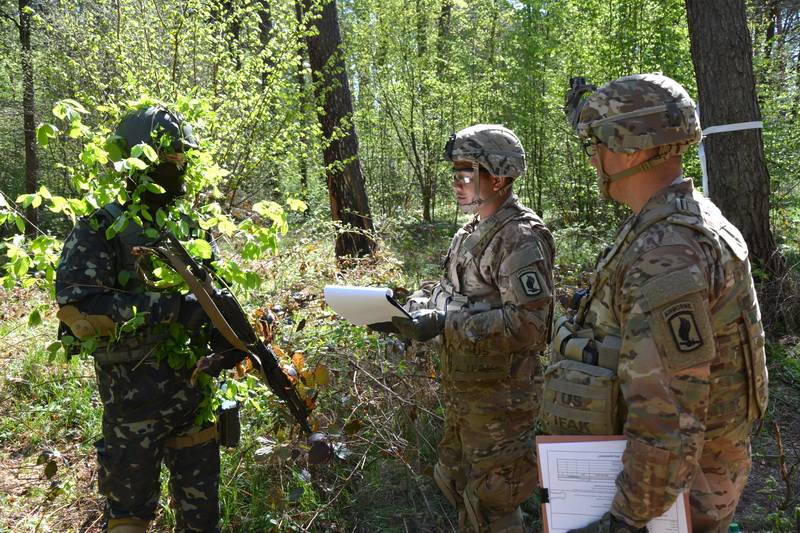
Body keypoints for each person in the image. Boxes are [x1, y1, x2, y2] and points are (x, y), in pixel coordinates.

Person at [544, 74, 768, 533]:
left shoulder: (666, 253)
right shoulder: (680, 221)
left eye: (597, 145)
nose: (593, 160)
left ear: (630, 149)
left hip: (671, 502)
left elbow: (668, 417)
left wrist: (625, 521)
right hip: (681, 484)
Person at [55, 106, 237, 533]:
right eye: (168, 157)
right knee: (129, 520)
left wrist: (226, 340)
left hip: (194, 396)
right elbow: (79, 309)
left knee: (202, 519)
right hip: (132, 407)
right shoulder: (100, 229)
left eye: (181, 157)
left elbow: (215, 296)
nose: (178, 166)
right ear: (139, 160)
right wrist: (170, 310)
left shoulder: (191, 227)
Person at [390, 124, 555, 532]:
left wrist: (449, 323)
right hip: (465, 394)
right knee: (457, 483)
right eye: (455, 172)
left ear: (497, 177)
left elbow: (530, 325)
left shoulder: (520, 238)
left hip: (502, 401)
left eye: (466, 172)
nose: (456, 182)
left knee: (494, 503)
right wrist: (414, 307)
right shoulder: (469, 233)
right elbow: (448, 291)